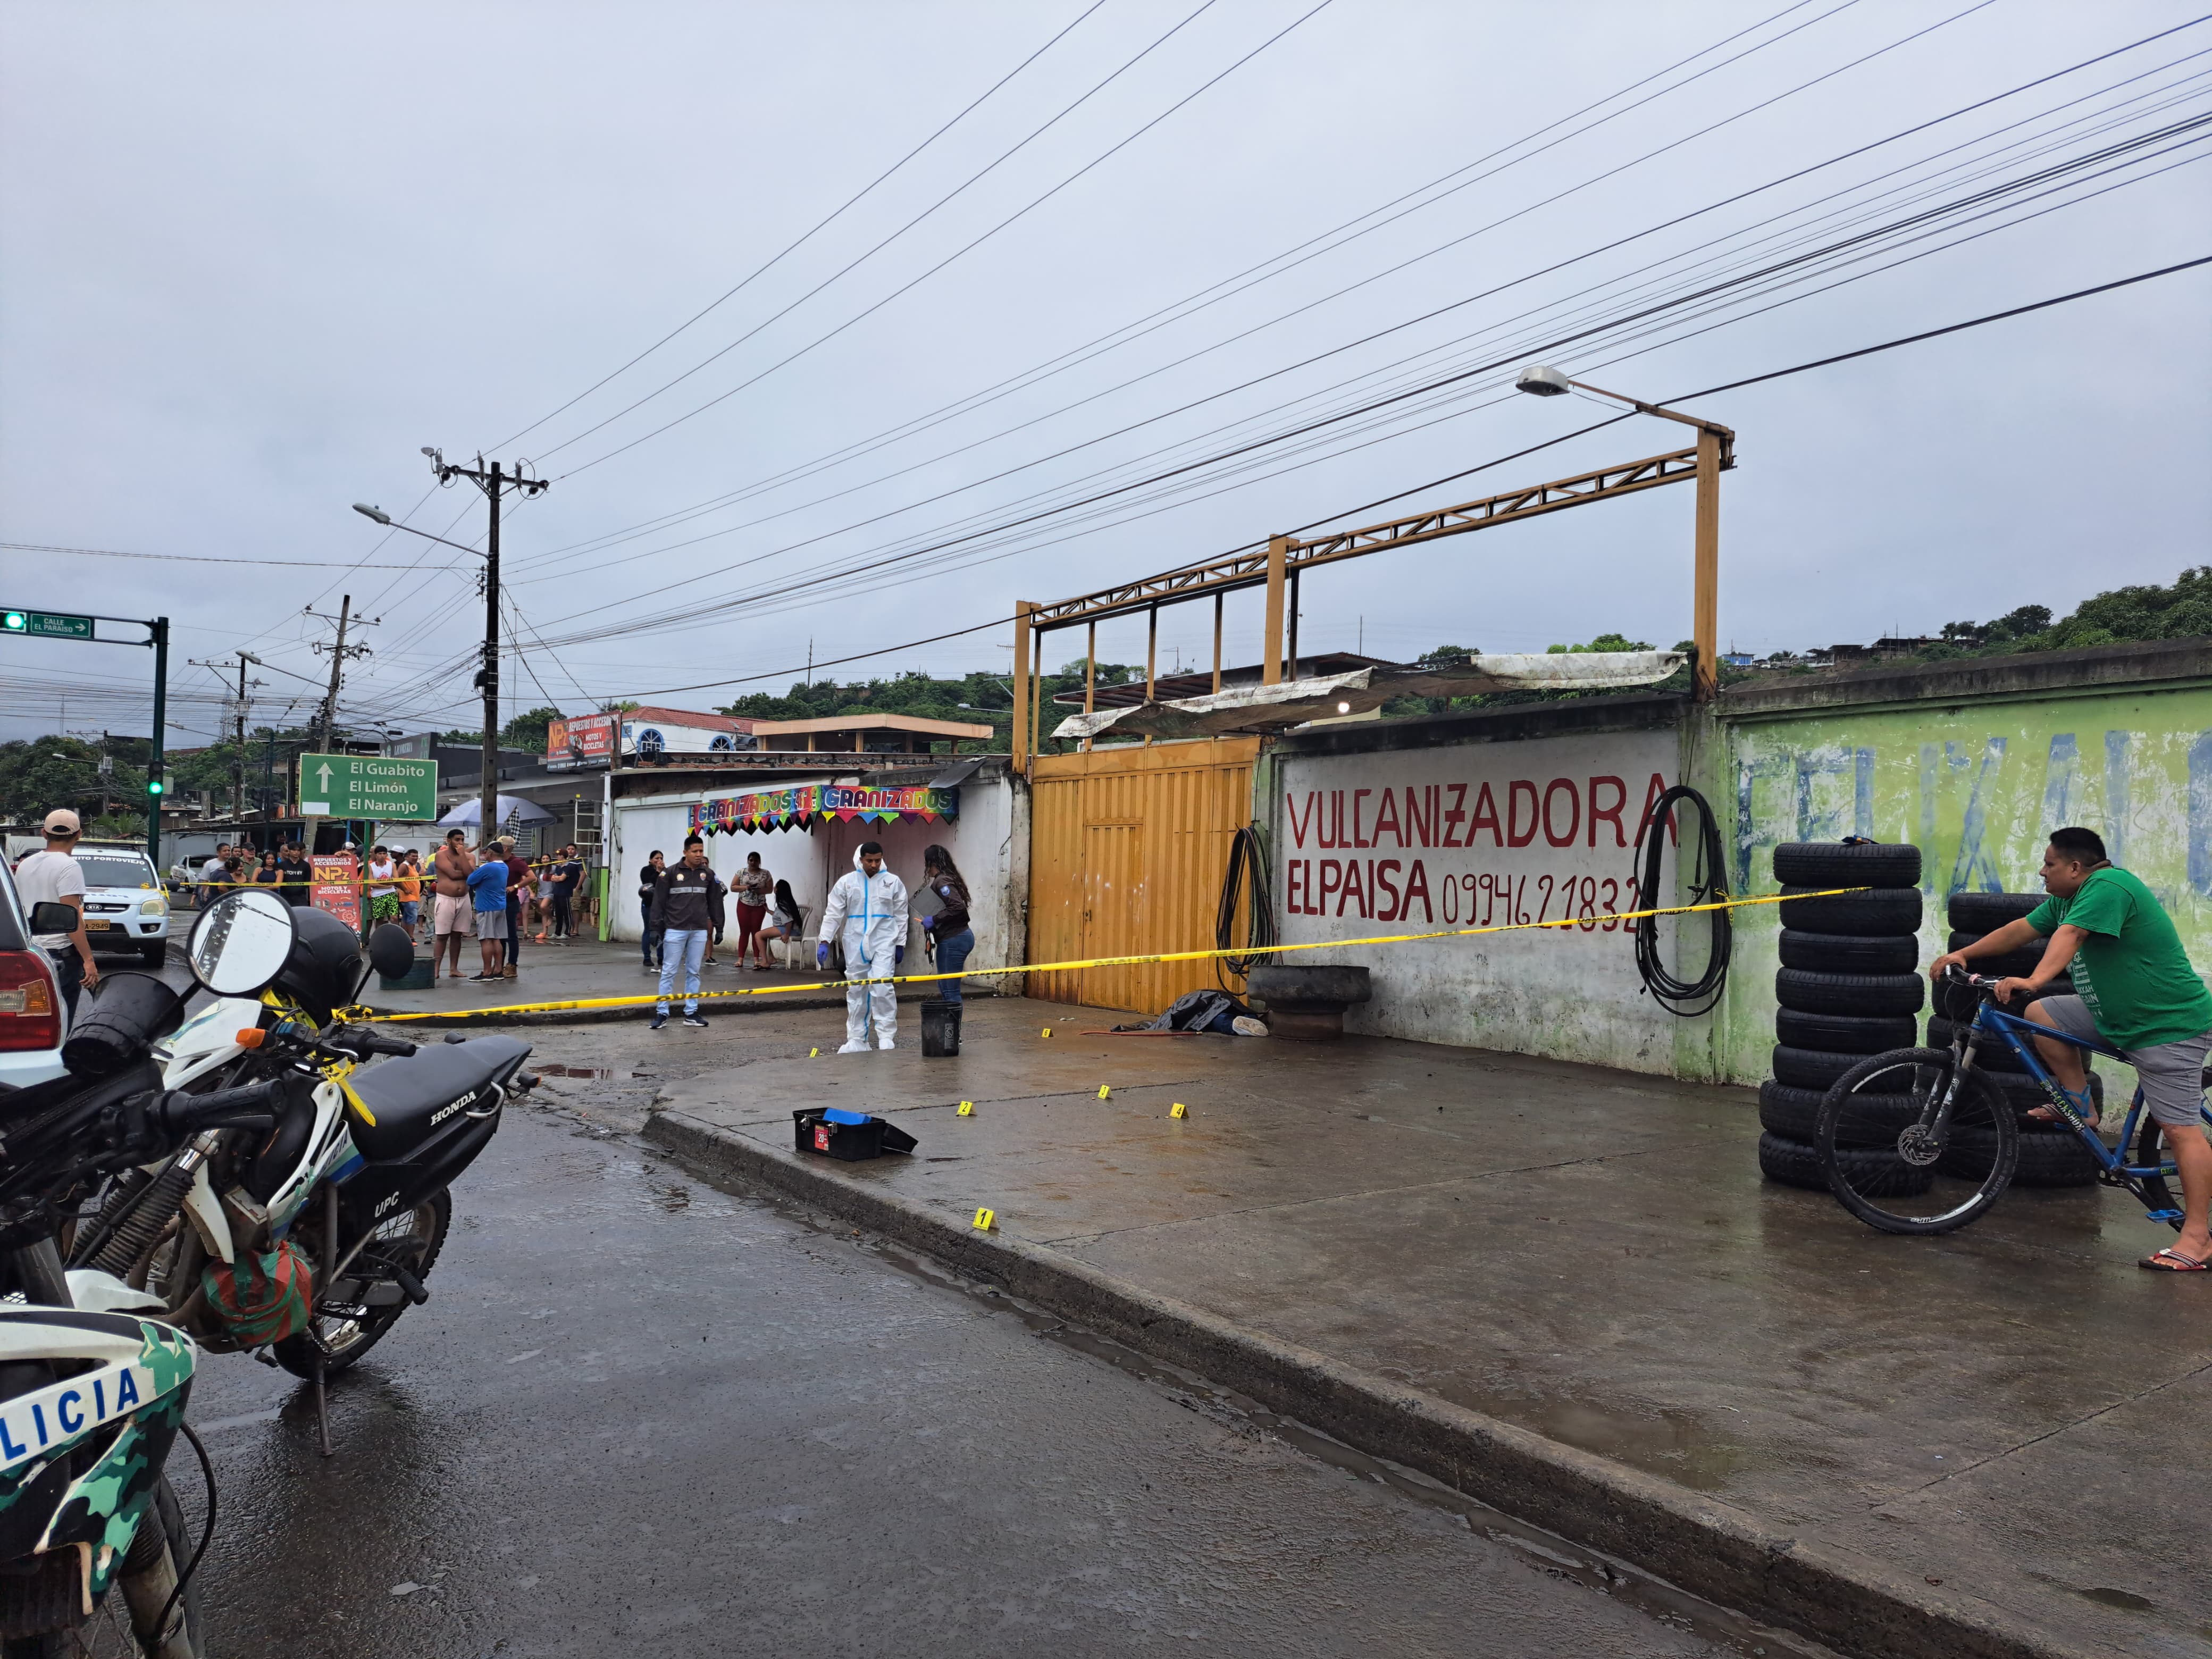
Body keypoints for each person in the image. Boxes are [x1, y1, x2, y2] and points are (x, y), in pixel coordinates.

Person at [1931, 826, 2212, 1272]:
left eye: (2050, 864)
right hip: (2116, 1017)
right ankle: (2081, 1107)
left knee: (2179, 1130)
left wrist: (2033, 979)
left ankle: (2197, 1241)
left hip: (2165, 1026)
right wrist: (1963, 954)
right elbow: (2019, 930)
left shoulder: (2109, 887)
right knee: (2044, 1015)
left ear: (2076, 867)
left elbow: (2071, 937)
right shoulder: (2069, 897)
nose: (2042, 871)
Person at [818, 841, 908, 1052]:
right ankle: (857, 1039)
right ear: (861, 859)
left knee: (883, 987)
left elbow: (901, 914)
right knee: (857, 988)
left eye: (878, 860)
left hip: (884, 940)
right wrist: (825, 940)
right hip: (855, 940)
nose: (874, 864)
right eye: (870, 860)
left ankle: (886, 1036)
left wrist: (900, 943)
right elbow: (834, 913)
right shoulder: (847, 882)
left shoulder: (893, 882)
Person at [16, 809, 98, 1025]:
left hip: (30, 952)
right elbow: (70, 918)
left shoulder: (26, 864)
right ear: (79, 834)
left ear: (44, 833)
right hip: (60, 956)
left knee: (32, 1021)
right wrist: (88, 960)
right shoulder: (69, 866)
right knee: (60, 1022)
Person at [648, 835, 724, 1029]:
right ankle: (662, 1013)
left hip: (699, 931)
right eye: (695, 851)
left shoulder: (708, 874)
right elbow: (658, 902)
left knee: (694, 972)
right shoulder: (669, 874)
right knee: (668, 972)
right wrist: (655, 928)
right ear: (685, 853)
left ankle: (691, 1013)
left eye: (701, 851)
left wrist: (719, 926)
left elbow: (716, 902)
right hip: (675, 930)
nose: (699, 855)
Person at [919, 844, 975, 1020]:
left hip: (954, 939)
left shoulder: (942, 881)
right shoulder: (947, 878)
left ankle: (953, 1034)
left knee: (950, 990)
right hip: (954, 937)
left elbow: (957, 907)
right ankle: (949, 1031)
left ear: (931, 862)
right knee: (944, 987)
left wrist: (934, 920)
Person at [431, 828, 477, 983]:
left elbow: (471, 874)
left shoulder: (469, 856)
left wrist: (463, 855)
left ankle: (453, 968)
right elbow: (452, 874)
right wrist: (463, 869)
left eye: (463, 840)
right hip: (446, 898)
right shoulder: (441, 855)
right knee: (442, 936)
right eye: (457, 840)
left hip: (463, 898)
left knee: (458, 935)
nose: (460, 843)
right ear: (449, 840)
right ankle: (436, 969)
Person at [465, 843, 512, 982]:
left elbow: (470, 880)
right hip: (500, 906)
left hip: (486, 907)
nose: (485, 854)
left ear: (490, 853)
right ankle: (498, 970)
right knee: (497, 939)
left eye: (486, 852)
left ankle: (486, 972)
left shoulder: (488, 867)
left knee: (486, 939)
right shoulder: (504, 866)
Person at [735, 851, 773, 970]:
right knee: (744, 931)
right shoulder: (741, 872)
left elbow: (770, 889)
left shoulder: (766, 874)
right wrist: (745, 887)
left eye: (756, 861)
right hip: (744, 905)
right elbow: (733, 887)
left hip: (759, 906)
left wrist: (759, 891)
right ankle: (740, 959)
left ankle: (757, 959)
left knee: (756, 932)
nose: (753, 863)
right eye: (751, 860)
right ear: (748, 861)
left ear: (760, 862)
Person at [759, 878, 804, 970]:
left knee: (758, 935)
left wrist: (786, 934)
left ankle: (765, 962)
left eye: (776, 886)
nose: (774, 887)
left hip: (788, 930)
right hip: (789, 929)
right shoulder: (786, 902)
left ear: (778, 890)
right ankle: (770, 958)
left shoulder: (782, 904)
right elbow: (780, 916)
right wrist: (768, 911)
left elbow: (789, 921)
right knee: (763, 935)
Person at [637, 851, 666, 972]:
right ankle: (647, 957)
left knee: (662, 931)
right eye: (656, 858)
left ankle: (661, 957)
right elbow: (649, 884)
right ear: (650, 860)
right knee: (649, 930)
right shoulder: (646, 870)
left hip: (662, 905)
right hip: (649, 904)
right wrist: (658, 872)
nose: (659, 860)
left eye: (661, 858)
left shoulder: (666, 872)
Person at [550, 844, 585, 940]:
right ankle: (557, 932)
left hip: (565, 892)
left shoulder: (569, 866)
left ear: (563, 856)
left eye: (559, 855)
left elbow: (562, 878)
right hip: (557, 891)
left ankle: (567, 932)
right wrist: (557, 878)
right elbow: (553, 878)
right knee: (558, 913)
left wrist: (558, 878)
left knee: (567, 912)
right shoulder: (558, 867)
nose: (557, 857)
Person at [365, 845, 401, 929]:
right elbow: (372, 884)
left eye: (384, 854)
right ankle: (380, 937)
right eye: (380, 854)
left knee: (394, 918)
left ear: (387, 855)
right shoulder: (371, 866)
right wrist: (388, 884)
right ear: (376, 855)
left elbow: (396, 880)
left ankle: (397, 935)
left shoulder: (392, 865)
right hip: (377, 895)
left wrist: (381, 884)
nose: (382, 856)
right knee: (380, 919)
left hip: (391, 893)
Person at [396, 850, 423, 940]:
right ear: (407, 857)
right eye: (413, 856)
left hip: (414, 896)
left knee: (407, 917)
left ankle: (404, 937)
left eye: (416, 856)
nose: (415, 858)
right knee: (413, 916)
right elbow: (396, 879)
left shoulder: (413, 866)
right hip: (408, 897)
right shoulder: (404, 866)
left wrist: (422, 891)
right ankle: (411, 937)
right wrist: (405, 889)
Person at [275, 843, 313, 907]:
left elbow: (307, 881)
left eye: (298, 850)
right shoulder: (282, 865)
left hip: (301, 898)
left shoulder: (306, 865)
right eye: (294, 850)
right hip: (285, 897)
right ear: (289, 851)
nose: (296, 852)